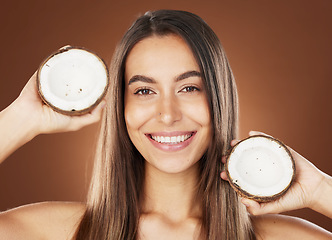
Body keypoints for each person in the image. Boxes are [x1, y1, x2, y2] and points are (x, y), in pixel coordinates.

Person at [0, 9, 331, 240]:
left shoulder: (284, 237)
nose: (168, 114)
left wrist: (319, 190)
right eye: (144, 91)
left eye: (189, 88)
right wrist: (23, 117)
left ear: (219, 100)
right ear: (121, 107)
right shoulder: (58, 233)